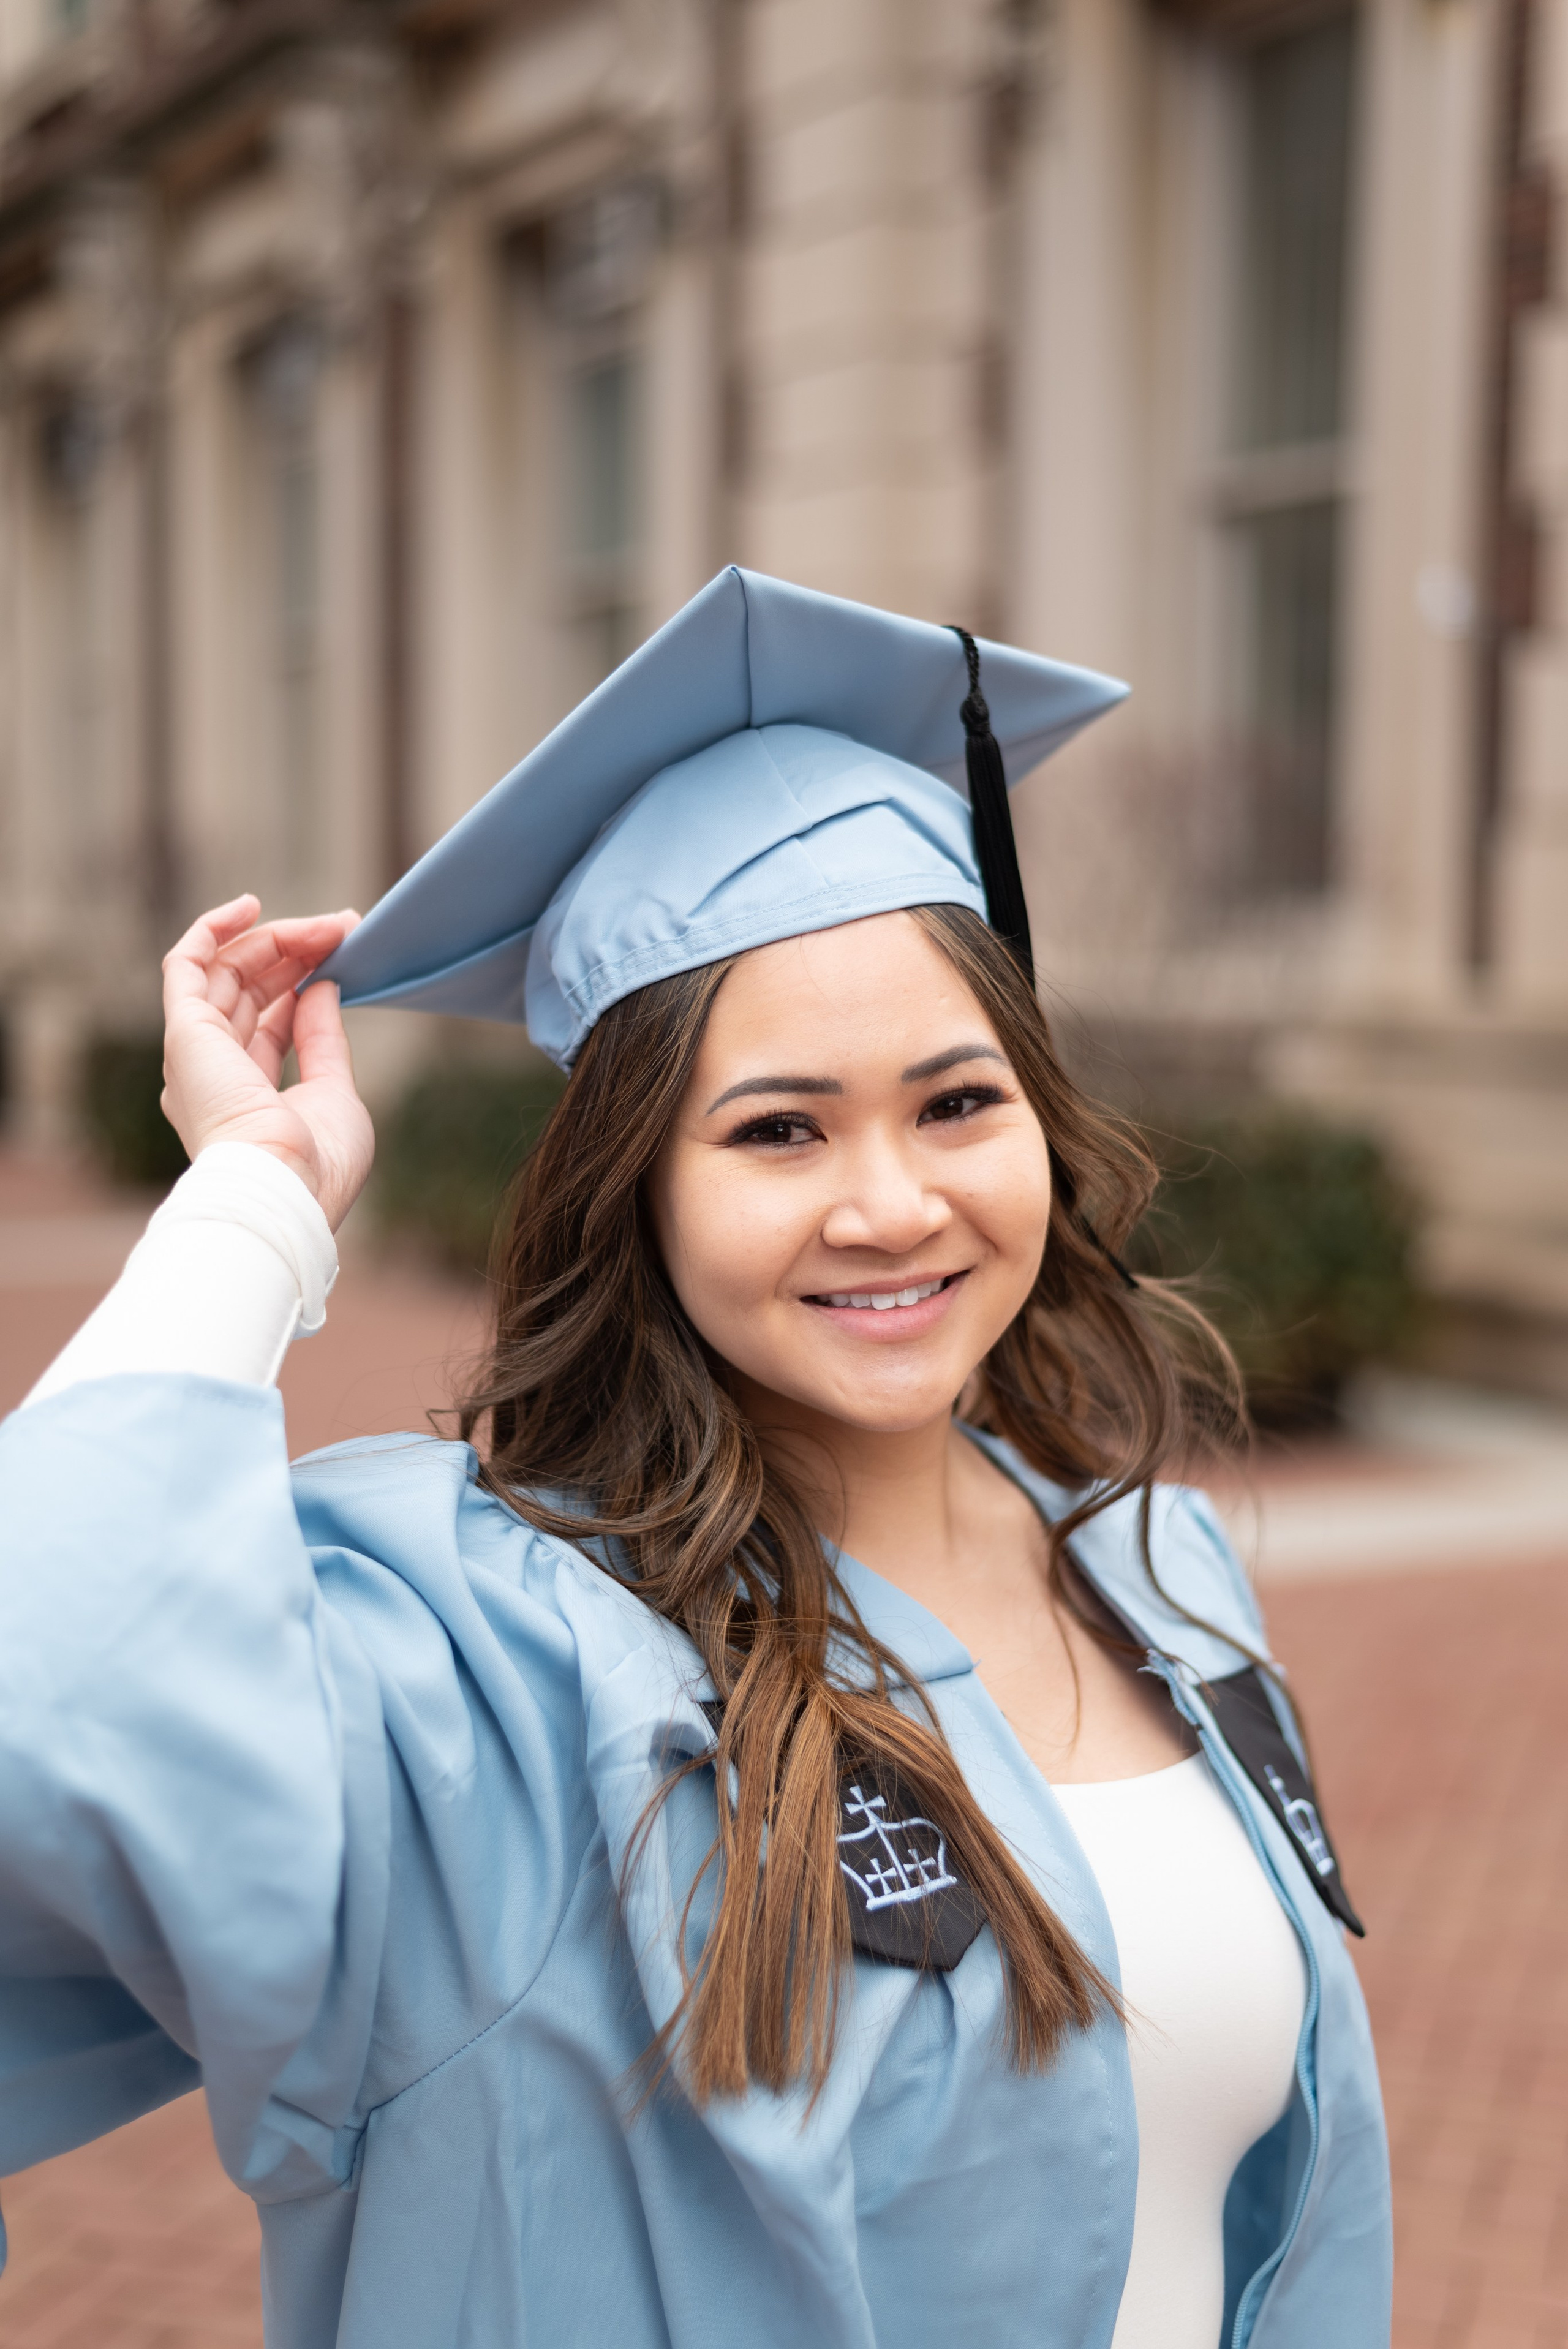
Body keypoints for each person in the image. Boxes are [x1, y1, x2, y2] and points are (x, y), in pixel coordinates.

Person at [0, 570, 1390, 2348]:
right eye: (779, 1130)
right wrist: (255, 1200)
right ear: (638, 1190)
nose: (893, 1203)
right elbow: (48, 1693)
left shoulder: (1161, 1571)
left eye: (957, 1101)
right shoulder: (493, 1672)